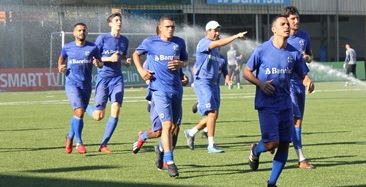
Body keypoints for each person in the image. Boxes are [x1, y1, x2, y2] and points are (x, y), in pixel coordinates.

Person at [243, 16, 314, 187]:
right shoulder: (262, 50)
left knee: (283, 145)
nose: (287, 26)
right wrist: (260, 83)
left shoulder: (294, 53)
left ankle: (272, 183)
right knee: (270, 143)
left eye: (287, 24)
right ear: (274, 29)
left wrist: (308, 81)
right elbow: (246, 72)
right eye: (283, 24)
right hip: (266, 104)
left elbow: (302, 74)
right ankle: (255, 149)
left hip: (285, 104)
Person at [132, 16, 188, 177]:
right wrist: (142, 71)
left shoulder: (179, 43)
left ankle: (152, 143)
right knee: (167, 125)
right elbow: (135, 54)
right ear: (160, 28)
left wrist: (181, 66)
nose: (171, 29)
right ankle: (170, 162)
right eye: (168, 26)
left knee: (173, 129)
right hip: (158, 90)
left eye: (173, 27)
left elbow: (184, 60)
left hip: (176, 90)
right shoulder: (150, 42)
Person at [183, 20, 247, 153]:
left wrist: (227, 78)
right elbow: (217, 43)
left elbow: (223, 67)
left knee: (213, 115)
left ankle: (191, 132)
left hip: (214, 84)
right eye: (215, 30)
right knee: (212, 112)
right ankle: (211, 145)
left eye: (219, 30)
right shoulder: (204, 43)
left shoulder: (218, 52)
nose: (218, 33)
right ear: (208, 31)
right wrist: (236, 36)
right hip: (203, 82)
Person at [85, 12, 130, 154]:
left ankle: (103, 144)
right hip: (103, 78)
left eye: (120, 20)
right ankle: (83, 105)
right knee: (98, 116)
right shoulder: (102, 38)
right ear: (110, 23)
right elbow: (94, 58)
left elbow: (123, 57)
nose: (119, 22)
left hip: (117, 78)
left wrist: (126, 62)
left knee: (116, 109)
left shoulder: (124, 40)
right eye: (116, 20)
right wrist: (109, 59)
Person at [58, 23, 102, 154]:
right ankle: (79, 143)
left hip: (86, 85)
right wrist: (60, 67)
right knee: (79, 110)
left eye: (83, 30)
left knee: (79, 114)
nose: (81, 32)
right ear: (74, 33)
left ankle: (69, 136)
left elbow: (100, 64)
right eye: (79, 30)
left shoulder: (93, 47)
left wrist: (98, 63)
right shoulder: (67, 47)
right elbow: (61, 60)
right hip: (72, 83)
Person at [282, 6, 315, 169]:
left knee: (296, 121)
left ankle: (261, 147)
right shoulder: (281, 37)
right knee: (296, 120)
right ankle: (301, 158)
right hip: (287, 84)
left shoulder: (304, 36)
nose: (296, 21)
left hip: (301, 82)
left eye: (297, 18)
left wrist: (307, 57)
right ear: (286, 20)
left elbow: (309, 56)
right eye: (293, 18)